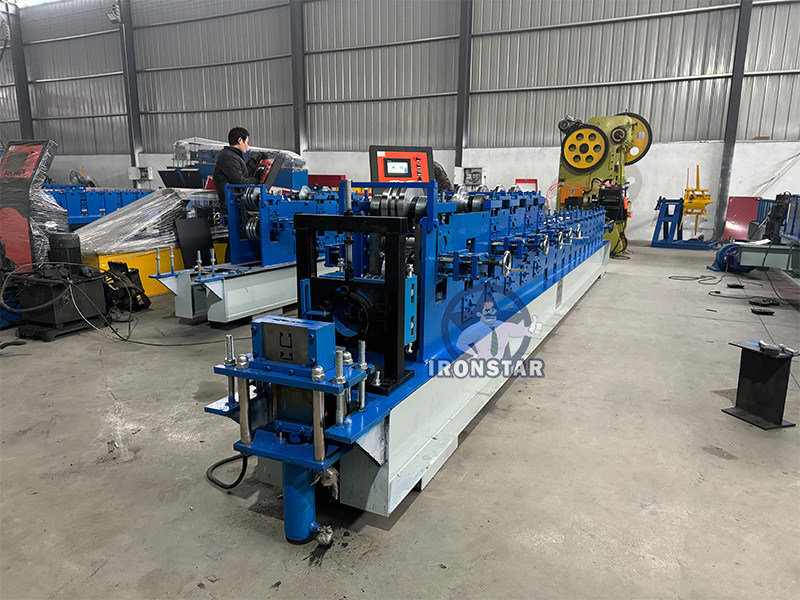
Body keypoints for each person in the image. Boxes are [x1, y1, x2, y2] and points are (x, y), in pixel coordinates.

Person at [212, 127, 256, 205]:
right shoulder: (229, 157)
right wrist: (257, 180)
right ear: (240, 140)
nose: (247, 145)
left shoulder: (233, 155)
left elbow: (240, 174)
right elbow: (240, 183)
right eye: (246, 142)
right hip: (231, 205)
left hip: (234, 202)